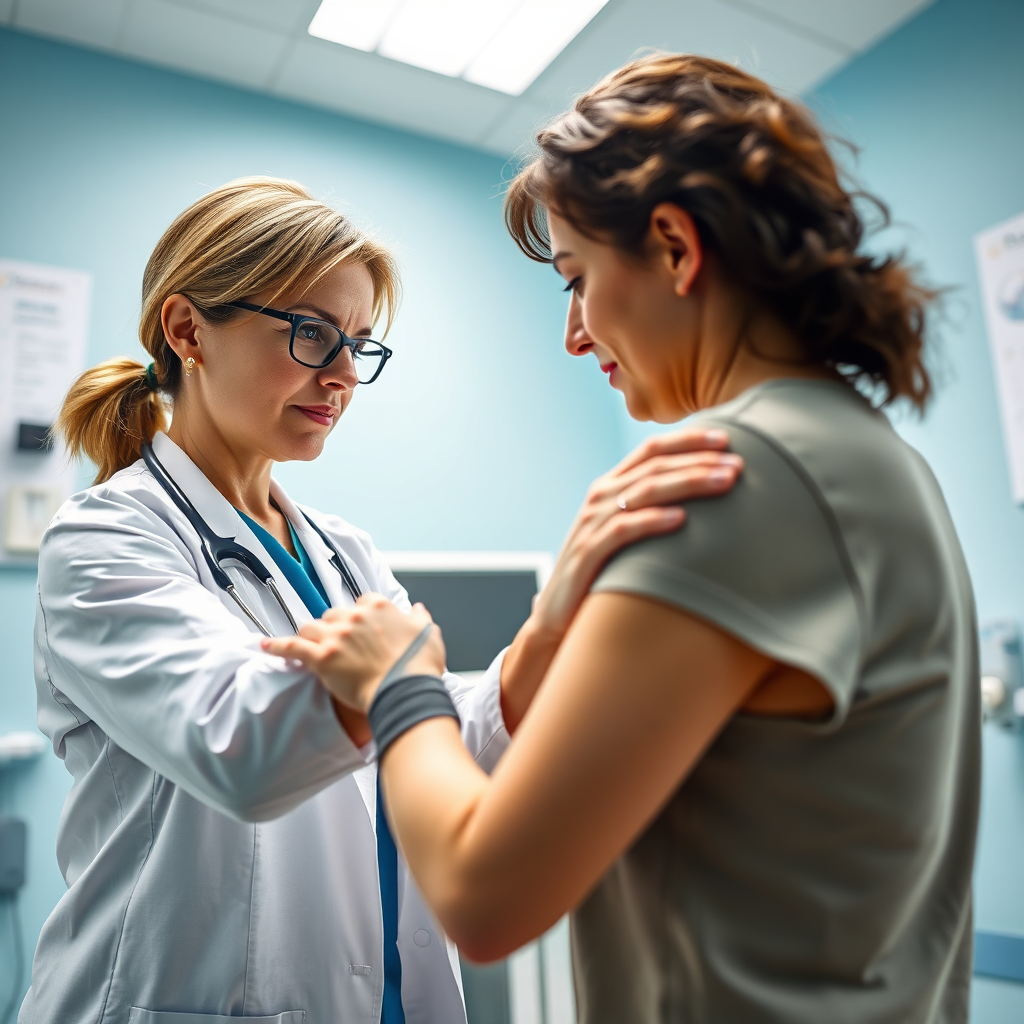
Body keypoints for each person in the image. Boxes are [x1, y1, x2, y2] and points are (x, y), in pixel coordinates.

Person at [265, 55, 982, 1024]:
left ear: (676, 249)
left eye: (577, 279)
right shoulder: (873, 460)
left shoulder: (730, 478)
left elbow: (482, 894)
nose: (573, 332)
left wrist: (399, 683)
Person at [22, 175, 741, 1024]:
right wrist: (392, 673)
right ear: (188, 331)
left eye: (357, 345)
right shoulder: (103, 540)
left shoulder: (341, 551)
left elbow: (430, 733)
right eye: (311, 334)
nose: (341, 377)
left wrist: (554, 624)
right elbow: (236, 741)